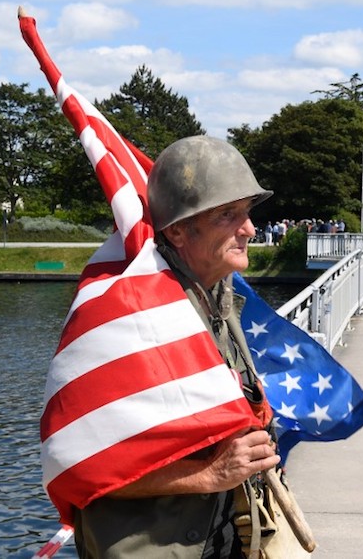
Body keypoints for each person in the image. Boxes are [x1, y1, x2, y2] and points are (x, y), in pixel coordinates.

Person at [71, 136, 290, 558]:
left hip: (223, 537)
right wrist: (209, 474)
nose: (249, 229)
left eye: (247, 213)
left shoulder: (217, 297)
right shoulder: (132, 318)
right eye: (229, 215)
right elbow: (85, 466)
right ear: (178, 230)